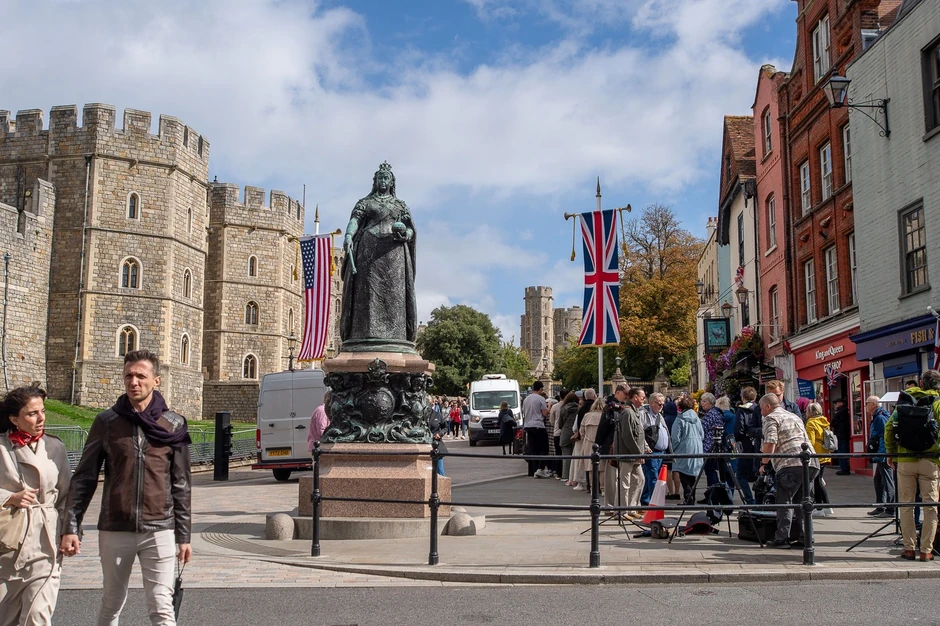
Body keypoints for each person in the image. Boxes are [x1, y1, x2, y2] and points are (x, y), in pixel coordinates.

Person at [61, 350, 193, 625]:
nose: (134, 382)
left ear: (156, 380)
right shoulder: (107, 422)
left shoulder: (174, 424)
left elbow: (181, 484)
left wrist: (184, 535)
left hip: (159, 527)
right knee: (112, 602)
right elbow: (85, 477)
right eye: (128, 376)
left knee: (161, 606)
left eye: (141, 376)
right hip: (115, 527)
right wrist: (71, 526)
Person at [0, 385, 71, 625]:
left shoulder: (54, 447)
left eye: (43, 411)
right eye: (32, 413)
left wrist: (70, 531)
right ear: (14, 419)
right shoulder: (1, 447)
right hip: (7, 544)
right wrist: (8, 498)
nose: (41, 418)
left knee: (37, 616)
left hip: (46, 542)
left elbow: (67, 495)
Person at [340, 161, 417, 348]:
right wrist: (349, 235)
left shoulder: (400, 205)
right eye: (380, 178)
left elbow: (410, 228)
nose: (383, 181)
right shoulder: (365, 203)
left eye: (386, 178)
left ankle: (395, 335)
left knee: (395, 294)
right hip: (369, 250)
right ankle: (365, 333)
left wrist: (406, 235)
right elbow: (355, 220)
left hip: (394, 252)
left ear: (391, 182)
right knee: (367, 293)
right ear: (375, 182)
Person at [885, 370, 940, 561]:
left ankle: (909, 548)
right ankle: (926, 550)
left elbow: (889, 428)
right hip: (930, 460)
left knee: (906, 505)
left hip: (905, 460)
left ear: (921, 383)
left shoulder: (905, 400)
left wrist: (891, 453)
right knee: (930, 506)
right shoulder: (938, 402)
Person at [759, 393, 819, 548]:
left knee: (785, 501)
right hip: (811, 461)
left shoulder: (771, 418)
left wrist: (763, 463)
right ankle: (806, 538)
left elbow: (770, 442)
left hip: (790, 463)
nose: (761, 412)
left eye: (761, 408)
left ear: (768, 406)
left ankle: (782, 538)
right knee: (804, 502)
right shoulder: (794, 416)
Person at [614, 388, 647, 519]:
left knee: (639, 479)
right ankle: (621, 511)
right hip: (627, 454)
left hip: (634, 454)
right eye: (642, 397)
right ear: (635, 397)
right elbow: (627, 436)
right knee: (624, 483)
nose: (644, 399)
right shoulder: (628, 412)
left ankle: (632, 507)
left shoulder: (635, 411)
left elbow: (639, 433)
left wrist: (644, 448)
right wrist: (637, 454)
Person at [595, 384, 629, 509]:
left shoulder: (622, 406)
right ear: (618, 392)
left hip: (619, 445)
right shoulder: (610, 407)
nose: (627, 397)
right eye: (626, 394)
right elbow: (603, 427)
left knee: (618, 478)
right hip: (610, 446)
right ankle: (610, 506)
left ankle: (616, 505)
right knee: (612, 478)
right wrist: (599, 444)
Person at [670, 394, 704, 505]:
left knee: (684, 475)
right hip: (697, 448)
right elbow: (702, 434)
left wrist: (673, 450)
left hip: (684, 448)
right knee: (692, 475)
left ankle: (688, 498)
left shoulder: (679, 419)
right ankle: (691, 497)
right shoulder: (697, 419)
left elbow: (675, 438)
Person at [866, 395, 895, 518]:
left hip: (883, 454)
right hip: (881, 454)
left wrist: (883, 455)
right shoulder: (878, 416)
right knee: (878, 480)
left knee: (888, 481)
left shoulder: (880, 417)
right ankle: (880, 506)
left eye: (867, 403)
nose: (866, 405)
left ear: (873, 404)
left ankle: (891, 509)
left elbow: (885, 437)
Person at [803, 402, 834, 517]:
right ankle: (827, 506)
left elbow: (810, 441)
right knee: (819, 480)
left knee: (817, 481)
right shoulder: (824, 421)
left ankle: (820, 507)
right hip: (825, 454)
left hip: (816, 456)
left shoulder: (811, 423)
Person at [639, 393, 670, 505]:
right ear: (651, 402)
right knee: (653, 477)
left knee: (650, 477)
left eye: (663, 404)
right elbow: (640, 432)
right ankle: (655, 503)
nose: (661, 406)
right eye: (659, 404)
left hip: (661, 452)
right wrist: (645, 447)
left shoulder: (659, 415)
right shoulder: (643, 414)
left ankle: (645, 500)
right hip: (651, 451)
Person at [572, 397, 604, 492]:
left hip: (588, 443)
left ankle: (592, 488)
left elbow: (581, 431)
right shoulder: (604, 415)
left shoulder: (587, 415)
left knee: (590, 467)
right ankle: (602, 488)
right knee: (602, 468)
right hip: (601, 443)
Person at [734, 386, 759, 505]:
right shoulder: (760, 409)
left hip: (746, 445)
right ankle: (759, 501)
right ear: (755, 398)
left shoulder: (742, 411)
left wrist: (738, 439)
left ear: (743, 398)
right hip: (759, 445)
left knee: (740, 475)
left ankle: (750, 500)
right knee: (759, 474)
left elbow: (738, 431)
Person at [523, 381, 551, 478]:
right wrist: (549, 406)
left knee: (533, 448)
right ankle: (540, 469)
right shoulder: (540, 398)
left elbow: (524, 412)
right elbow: (544, 413)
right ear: (540, 388)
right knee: (544, 448)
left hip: (528, 425)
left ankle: (535, 470)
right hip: (538, 425)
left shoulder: (526, 399)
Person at [698, 393, 725, 487]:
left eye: (704, 401)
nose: (702, 403)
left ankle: (713, 490)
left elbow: (702, 429)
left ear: (711, 402)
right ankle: (712, 490)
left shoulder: (711, 414)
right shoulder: (714, 412)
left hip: (710, 446)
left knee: (710, 470)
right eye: (702, 401)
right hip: (712, 445)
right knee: (710, 470)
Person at [558, 392, 580, 485]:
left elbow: (560, 424)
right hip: (576, 432)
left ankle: (565, 476)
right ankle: (574, 477)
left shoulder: (563, 409)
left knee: (566, 455)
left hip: (565, 432)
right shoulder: (579, 409)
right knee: (575, 455)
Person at [662, 398, 681, 499]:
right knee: (676, 470)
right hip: (677, 447)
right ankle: (677, 492)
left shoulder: (665, 419)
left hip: (668, 447)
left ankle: (671, 491)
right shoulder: (678, 418)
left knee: (668, 470)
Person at [830, 399, 851, 475]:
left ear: (841, 403)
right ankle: (845, 468)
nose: (835, 405)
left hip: (842, 435)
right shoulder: (844, 411)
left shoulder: (841, 412)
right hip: (844, 434)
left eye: (836, 403)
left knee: (842, 452)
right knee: (843, 451)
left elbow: (833, 422)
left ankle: (844, 469)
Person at [428, 405, 448, 476]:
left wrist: (440, 434)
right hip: (424, 444)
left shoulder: (437, 415)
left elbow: (445, 427)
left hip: (436, 444)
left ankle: (442, 481)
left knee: (439, 469)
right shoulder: (420, 415)